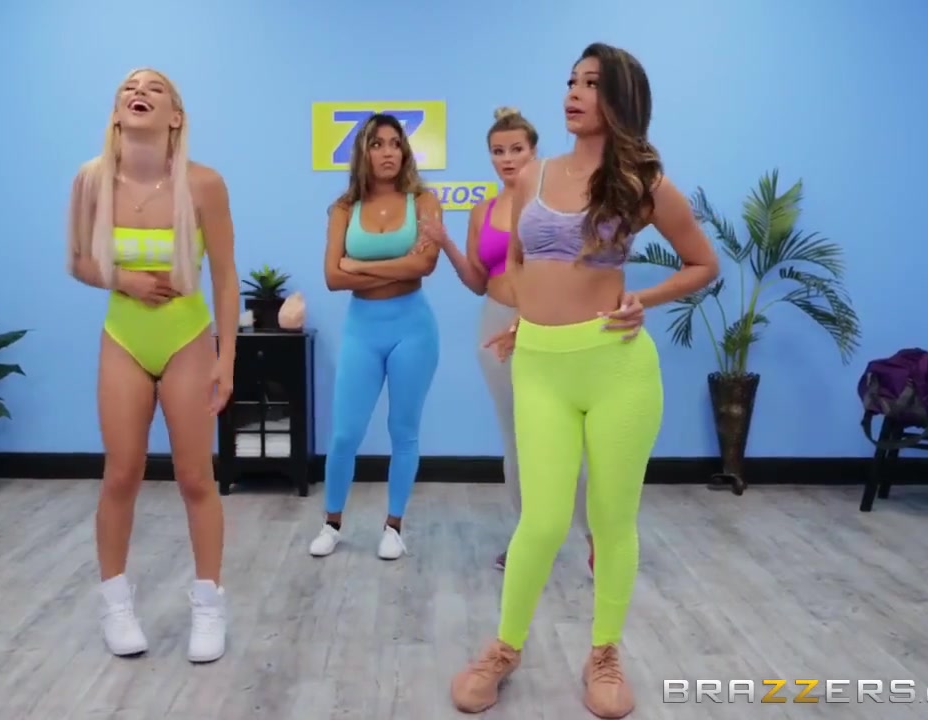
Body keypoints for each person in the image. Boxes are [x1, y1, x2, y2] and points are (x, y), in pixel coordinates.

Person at [449, 44, 720, 718]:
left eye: (591, 83)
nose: (573, 92)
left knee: (610, 519)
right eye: (571, 80)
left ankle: (604, 651)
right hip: (540, 365)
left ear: (620, 97)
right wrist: (525, 317)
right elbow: (517, 261)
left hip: (616, 367)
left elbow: (702, 264)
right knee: (541, 521)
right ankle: (505, 647)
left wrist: (642, 300)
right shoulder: (532, 176)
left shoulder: (641, 181)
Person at [66, 68, 239, 664]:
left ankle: (209, 604)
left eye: (154, 88)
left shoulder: (204, 184)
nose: (138, 91)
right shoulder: (91, 180)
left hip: (187, 338)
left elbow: (226, 277)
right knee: (121, 475)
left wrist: (226, 358)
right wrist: (126, 280)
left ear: (175, 116)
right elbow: (78, 261)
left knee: (195, 477)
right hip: (124, 338)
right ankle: (116, 604)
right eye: (128, 88)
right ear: (118, 112)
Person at [433, 106, 596, 573]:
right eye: (498, 151)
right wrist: (446, 243)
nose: (507, 159)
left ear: (534, 151)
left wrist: (529, 319)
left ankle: (595, 539)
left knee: (568, 439)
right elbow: (477, 281)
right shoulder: (482, 211)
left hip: (547, 322)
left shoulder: (552, 204)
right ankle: (530, 538)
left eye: (516, 149)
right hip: (495, 324)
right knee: (516, 437)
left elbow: (570, 269)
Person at [308, 113, 443, 561]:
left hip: (413, 329)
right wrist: (394, 267)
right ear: (363, 153)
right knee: (345, 434)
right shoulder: (343, 208)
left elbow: (424, 265)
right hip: (362, 330)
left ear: (405, 151)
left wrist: (359, 266)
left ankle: (394, 527)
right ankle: (331, 523)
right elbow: (332, 277)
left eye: (395, 143)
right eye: (377, 144)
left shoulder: (424, 201)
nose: (388, 152)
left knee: (403, 430)